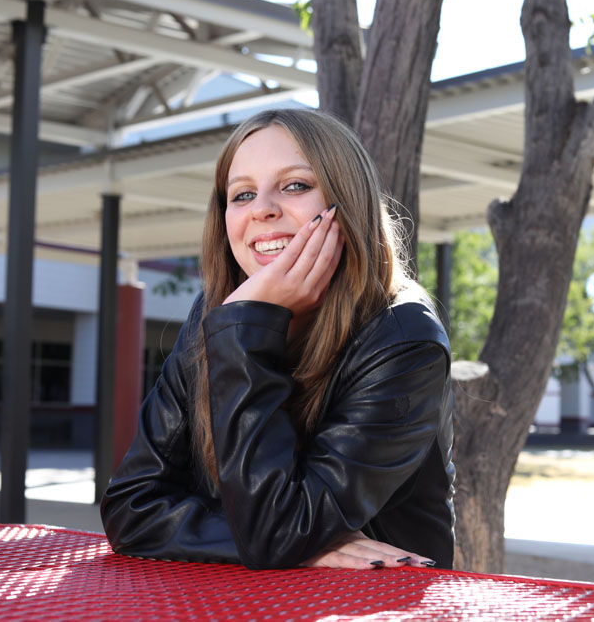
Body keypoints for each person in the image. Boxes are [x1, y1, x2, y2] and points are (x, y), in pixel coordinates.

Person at [100, 108, 455, 571]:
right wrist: (283, 540)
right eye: (242, 193)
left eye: (295, 185)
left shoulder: (404, 339)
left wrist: (278, 536)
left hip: (373, 603)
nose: (262, 209)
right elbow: (131, 507)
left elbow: (277, 529)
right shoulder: (219, 314)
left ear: (346, 203)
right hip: (238, 600)